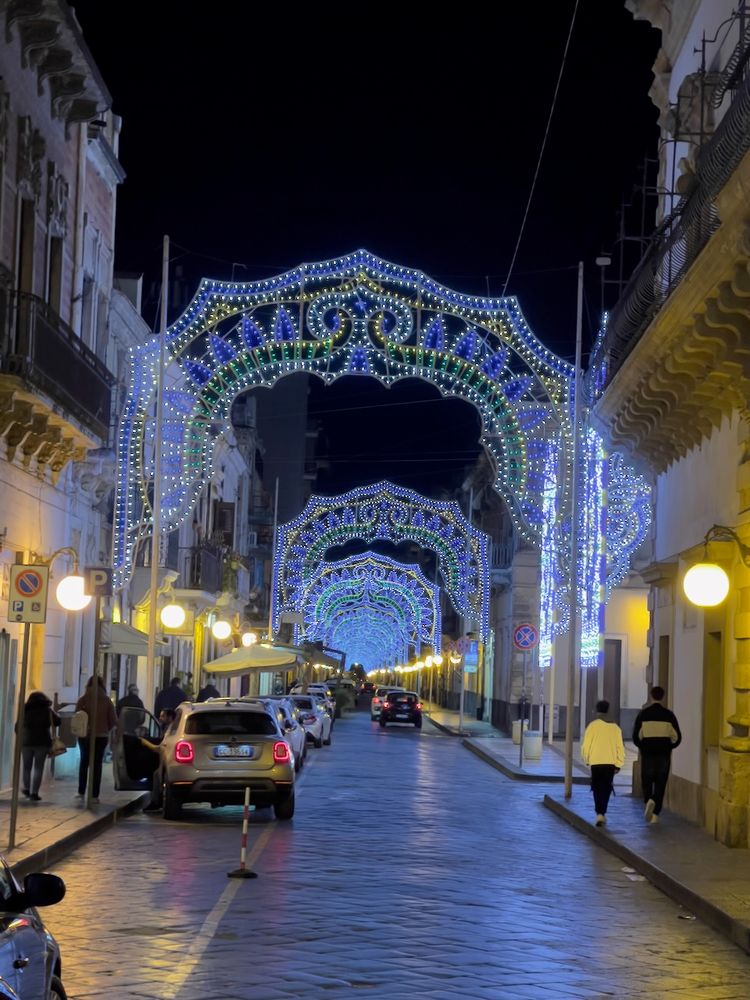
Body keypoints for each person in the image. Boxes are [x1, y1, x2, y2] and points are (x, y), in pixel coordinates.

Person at [632, 685, 682, 824]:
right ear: (663, 696)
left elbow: (636, 737)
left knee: (647, 781)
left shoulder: (643, 714)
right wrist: (669, 747)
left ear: (651, 696)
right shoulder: (669, 715)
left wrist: (643, 747)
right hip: (663, 755)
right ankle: (655, 812)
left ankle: (648, 800)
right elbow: (677, 737)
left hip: (648, 754)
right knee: (661, 782)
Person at [581, 699, 625, 828]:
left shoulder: (592, 726)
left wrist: (587, 759)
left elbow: (585, 746)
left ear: (597, 710)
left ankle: (598, 812)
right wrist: (619, 764)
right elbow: (620, 748)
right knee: (606, 788)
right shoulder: (615, 728)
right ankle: (602, 812)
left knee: (596, 787)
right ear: (608, 710)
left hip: (596, 763)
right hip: (610, 764)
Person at [75, 675, 117, 803]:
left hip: (85, 736)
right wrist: (105, 729)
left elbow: (77, 717)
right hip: (101, 736)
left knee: (84, 762)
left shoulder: (83, 699)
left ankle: (81, 792)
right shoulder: (107, 701)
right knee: (97, 764)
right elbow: (113, 720)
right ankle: (94, 795)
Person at [20, 691, 60, 802]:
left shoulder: (25, 710)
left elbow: (17, 726)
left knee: (26, 767)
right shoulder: (47, 710)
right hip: (42, 743)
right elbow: (58, 721)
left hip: (26, 742)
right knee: (38, 768)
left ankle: (27, 789)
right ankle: (34, 793)